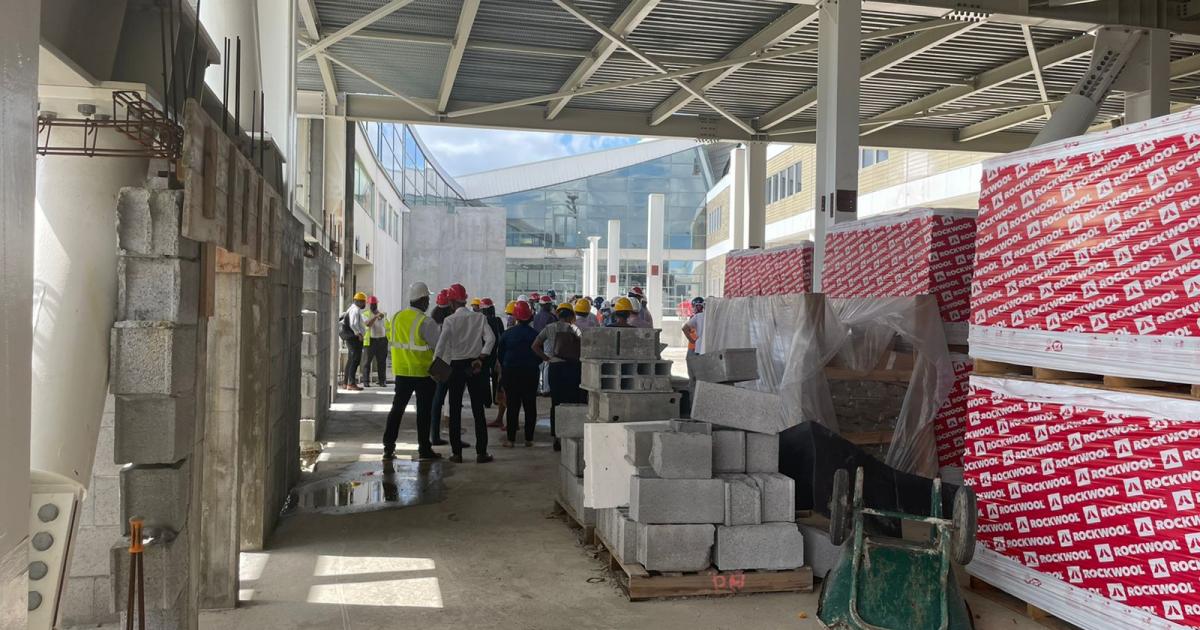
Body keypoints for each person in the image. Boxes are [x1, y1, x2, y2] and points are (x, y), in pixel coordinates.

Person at [433, 283, 496, 464]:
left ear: (451, 302)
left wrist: (436, 368)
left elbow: (441, 346)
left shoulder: (450, 321)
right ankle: (481, 453)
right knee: (478, 410)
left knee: (454, 408)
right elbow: (490, 339)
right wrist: (482, 357)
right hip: (475, 365)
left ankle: (457, 454)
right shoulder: (478, 318)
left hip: (455, 367)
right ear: (465, 299)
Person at [382, 282, 442, 461]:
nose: (429, 302)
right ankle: (424, 449)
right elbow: (438, 347)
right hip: (423, 374)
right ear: (423, 300)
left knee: (397, 409)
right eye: (428, 299)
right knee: (424, 413)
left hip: (401, 372)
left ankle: (388, 447)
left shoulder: (396, 317)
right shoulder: (426, 322)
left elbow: (392, 340)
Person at [533, 303, 583, 451]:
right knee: (572, 401)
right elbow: (583, 345)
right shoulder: (574, 329)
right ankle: (571, 436)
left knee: (556, 403)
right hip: (572, 368)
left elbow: (534, 346)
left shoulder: (549, 328)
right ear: (570, 316)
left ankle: (556, 437)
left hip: (555, 368)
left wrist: (547, 358)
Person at [497, 301, 541, 447]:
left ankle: (511, 440)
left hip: (511, 373)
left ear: (515, 316)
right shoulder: (535, 334)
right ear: (530, 317)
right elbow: (539, 355)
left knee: (513, 405)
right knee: (530, 405)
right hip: (530, 373)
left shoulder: (507, 334)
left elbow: (501, 355)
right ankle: (529, 439)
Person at [340, 292, 368, 390]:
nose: (365, 304)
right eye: (364, 302)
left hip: (352, 337)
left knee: (351, 360)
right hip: (354, 338)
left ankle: (346, 383)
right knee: (355, 360)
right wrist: (359, 334)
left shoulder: (353, 309)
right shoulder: (355, 310)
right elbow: (353, 324)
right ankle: (351, 384)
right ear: (359, 301)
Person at [361, 296, 389, 387]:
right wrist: (375, 317)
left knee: (382, 362)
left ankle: (382, 381)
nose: (374, 305)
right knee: (367, 362)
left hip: (382, 340)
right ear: (369, 304)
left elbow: (387, 326)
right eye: (372, 304)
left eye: (375, 304)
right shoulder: (365, 314)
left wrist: (380, 316)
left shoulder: (382, 314)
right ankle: (366, 381)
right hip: (370, 341)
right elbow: (368, 324)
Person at [682, 296, 705, 401]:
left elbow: (684, 328)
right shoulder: (705, 317)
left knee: (693, 379)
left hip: (693, 350)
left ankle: (693, 406)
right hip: (701, 350)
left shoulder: (696, 318)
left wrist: (692, 340)